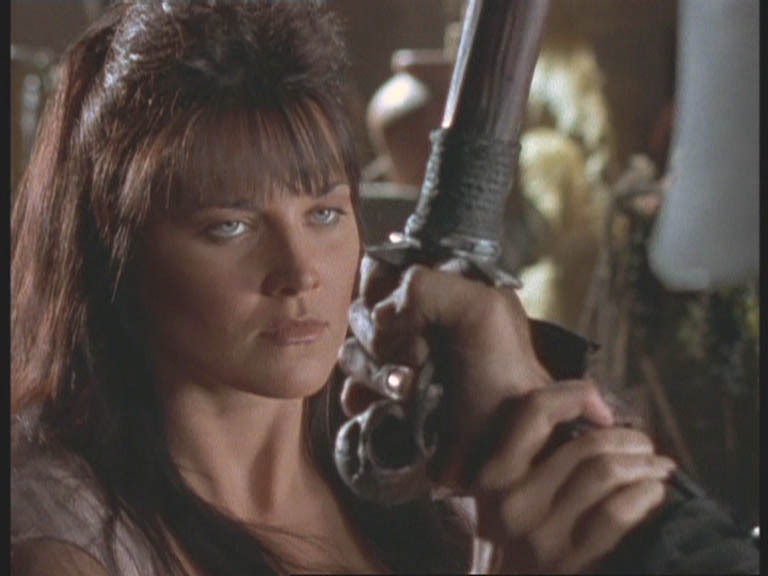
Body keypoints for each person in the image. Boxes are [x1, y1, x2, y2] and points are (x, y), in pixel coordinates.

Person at [10, 2, 757, 575]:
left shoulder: (427, 474)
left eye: (324, 213)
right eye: (229, 227)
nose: (299, 272)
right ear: (116, 252)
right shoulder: (63, 538)